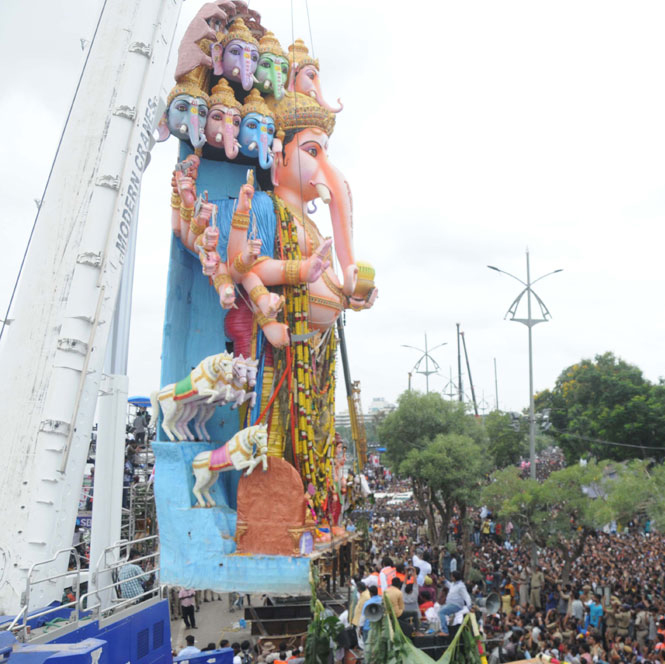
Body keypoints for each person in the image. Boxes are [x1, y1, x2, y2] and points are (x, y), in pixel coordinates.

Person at [439, 571, 472, 636]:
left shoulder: (461, 586)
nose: (450, 577)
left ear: (454, 577)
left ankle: (445, 631)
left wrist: (469, 606)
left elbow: (466, 596)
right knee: (440, 611)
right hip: (450, 604)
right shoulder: (454, 584)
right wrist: (445, 581)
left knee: (441, 612)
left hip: (456, 605)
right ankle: (444, 628)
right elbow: (450, 585)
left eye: (451, 576)